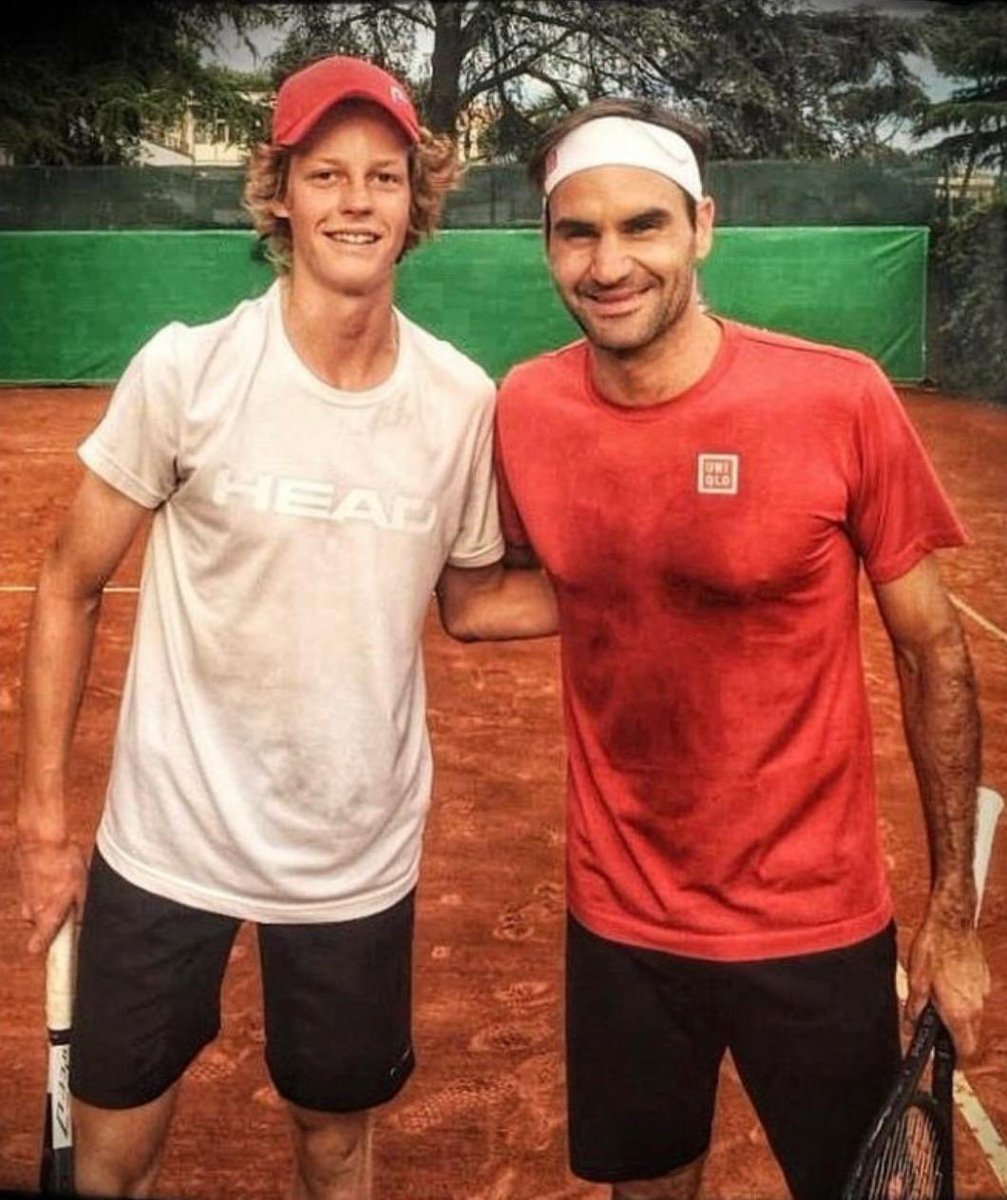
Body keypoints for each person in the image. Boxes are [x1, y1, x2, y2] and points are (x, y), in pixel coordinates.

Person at [15, 55, 554, 1200]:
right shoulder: (189, 370)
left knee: (334, 1137)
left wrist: (651, 585)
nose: (356, 200)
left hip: (353, 855)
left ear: (417, 205)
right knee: (110, 1158)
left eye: (384, 177)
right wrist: (46, 826)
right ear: (281, 196)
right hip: (168, 841)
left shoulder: (461, 403)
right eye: (326, 174)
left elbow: (470, 601)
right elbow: (66, 585)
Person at [492, 97, 990, 1200]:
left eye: (642, 226)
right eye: (577, 232)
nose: (609, 261)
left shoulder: (837, 396)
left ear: (701, 228)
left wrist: (950, 913)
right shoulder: (523, 409)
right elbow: (497, 595)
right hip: (618, 919)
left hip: (810, 922)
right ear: (547, 246)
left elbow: (930, 651)